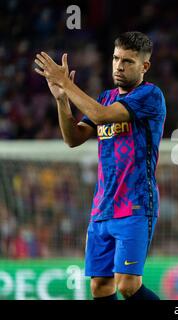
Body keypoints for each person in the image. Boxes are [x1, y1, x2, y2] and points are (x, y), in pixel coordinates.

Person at [34, 31, 166, 300]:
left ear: (145, 66)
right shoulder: (105, 97)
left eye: (128, 61)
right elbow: (73, 138)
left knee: (128, 286)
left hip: (136, 203)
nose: (119, 65)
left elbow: (101, 115)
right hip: (103, 206)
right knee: (100, 287)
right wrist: (61, 99)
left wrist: (67, 84)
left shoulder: (150, 96)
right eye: (116, 58)